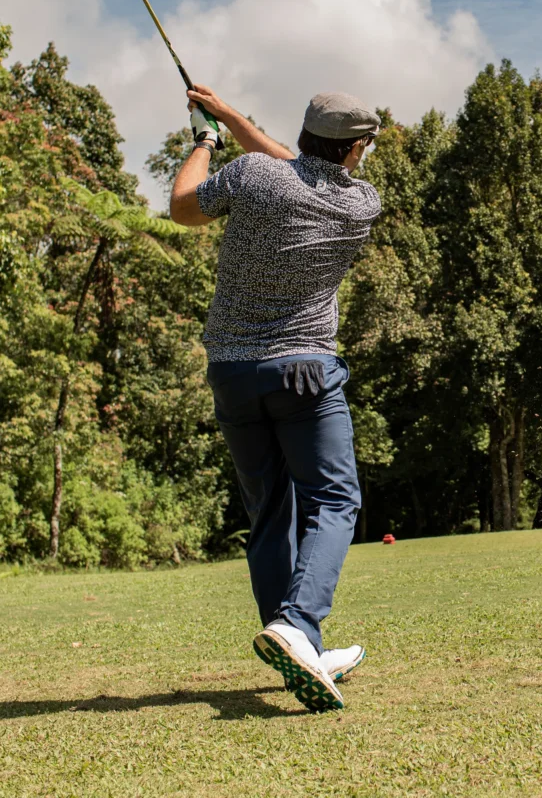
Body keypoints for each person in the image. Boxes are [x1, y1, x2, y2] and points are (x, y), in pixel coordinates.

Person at [170, 84, 382, 713]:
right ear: (352, 152)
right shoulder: (360, 203)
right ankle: (300, 623)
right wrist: (229, 121)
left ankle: (295, 641)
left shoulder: (258, 176)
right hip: (305, 373)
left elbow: (184, 205)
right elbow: (297, 166)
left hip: (233, 372)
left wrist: (208, 137)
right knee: (336, 498)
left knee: (268, 512)